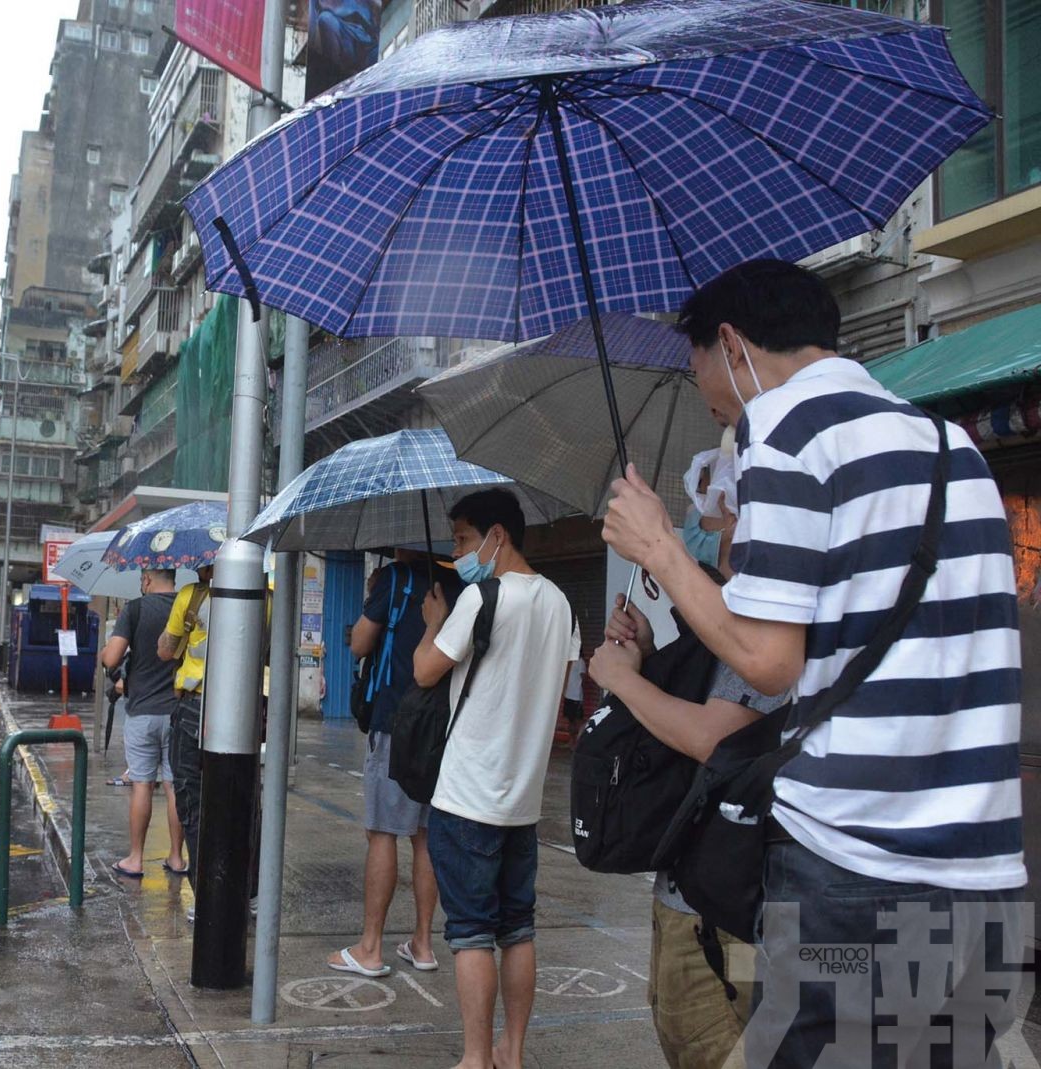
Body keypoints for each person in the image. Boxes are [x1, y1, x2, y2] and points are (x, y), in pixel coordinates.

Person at [602, 259, 1025, 1068]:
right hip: (982, 880)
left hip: (850, 876)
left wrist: (659, 545)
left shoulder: (787, 431)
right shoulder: (954, 448)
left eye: (704, 381)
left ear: (732, 345)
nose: (716, 406)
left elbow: (766, 660)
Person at [590, 505, 782, 1069]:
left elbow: (713, 739)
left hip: (730, 915)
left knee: (717, 1042)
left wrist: (622, 680)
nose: (707, 516)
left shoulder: (769, 620)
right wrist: (647, 655)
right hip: (693, 893)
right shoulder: (725, 621)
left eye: (720, 501)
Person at [412, 489, 580, 1069]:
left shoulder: (480, 597)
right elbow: (555, 696)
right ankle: (512, 1052)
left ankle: (475, 1058)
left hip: (467, 795)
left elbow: (425, 670)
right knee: (518, 930)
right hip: (524, 800)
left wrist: (434, 621)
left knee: (471, 933)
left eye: (462, 539)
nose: (458, 552)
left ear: (497, 536)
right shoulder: (561, 603)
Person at [328, 549, 460, 979]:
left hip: (395, 723)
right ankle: (422, 943)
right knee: (425, 837)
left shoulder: (396, 580)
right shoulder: (462, 585)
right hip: (444, 725)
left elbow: (360, 645)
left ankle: (370, 948)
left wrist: (375, 601)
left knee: (383, 832)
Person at [100, 569, 186, 880]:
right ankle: (177, 858)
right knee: (175, 784)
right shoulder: (185, 606)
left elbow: (112, 659)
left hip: (142, 711)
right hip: (178, 711)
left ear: (147, 578)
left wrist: (105, 654)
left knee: (142, 784)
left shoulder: (135, 609)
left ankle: (136, 859)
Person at [158, 563, 213, 881]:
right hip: (248, 708)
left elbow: (165, 650)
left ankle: (203, 886)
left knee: (190, 797)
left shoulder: (191, 596)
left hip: (195, 705)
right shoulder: (268, 598)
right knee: (239, 799)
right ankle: (249, 892)